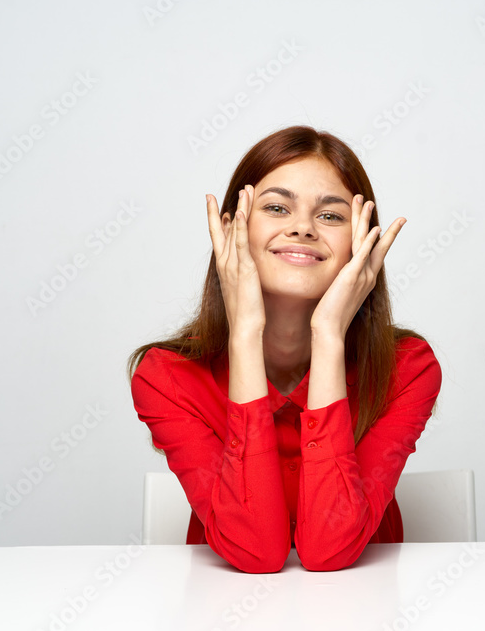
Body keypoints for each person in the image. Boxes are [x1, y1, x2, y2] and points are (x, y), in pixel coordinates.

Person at [128, 125, 442, 573]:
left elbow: (329, 551)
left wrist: (329, 334)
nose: (302, 228)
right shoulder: (166, 377)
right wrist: (244, 335)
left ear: (363, 242)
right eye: (277, 208)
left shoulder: (408, 368)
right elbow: (255, 553)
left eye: (330, 216)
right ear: (230, 229)